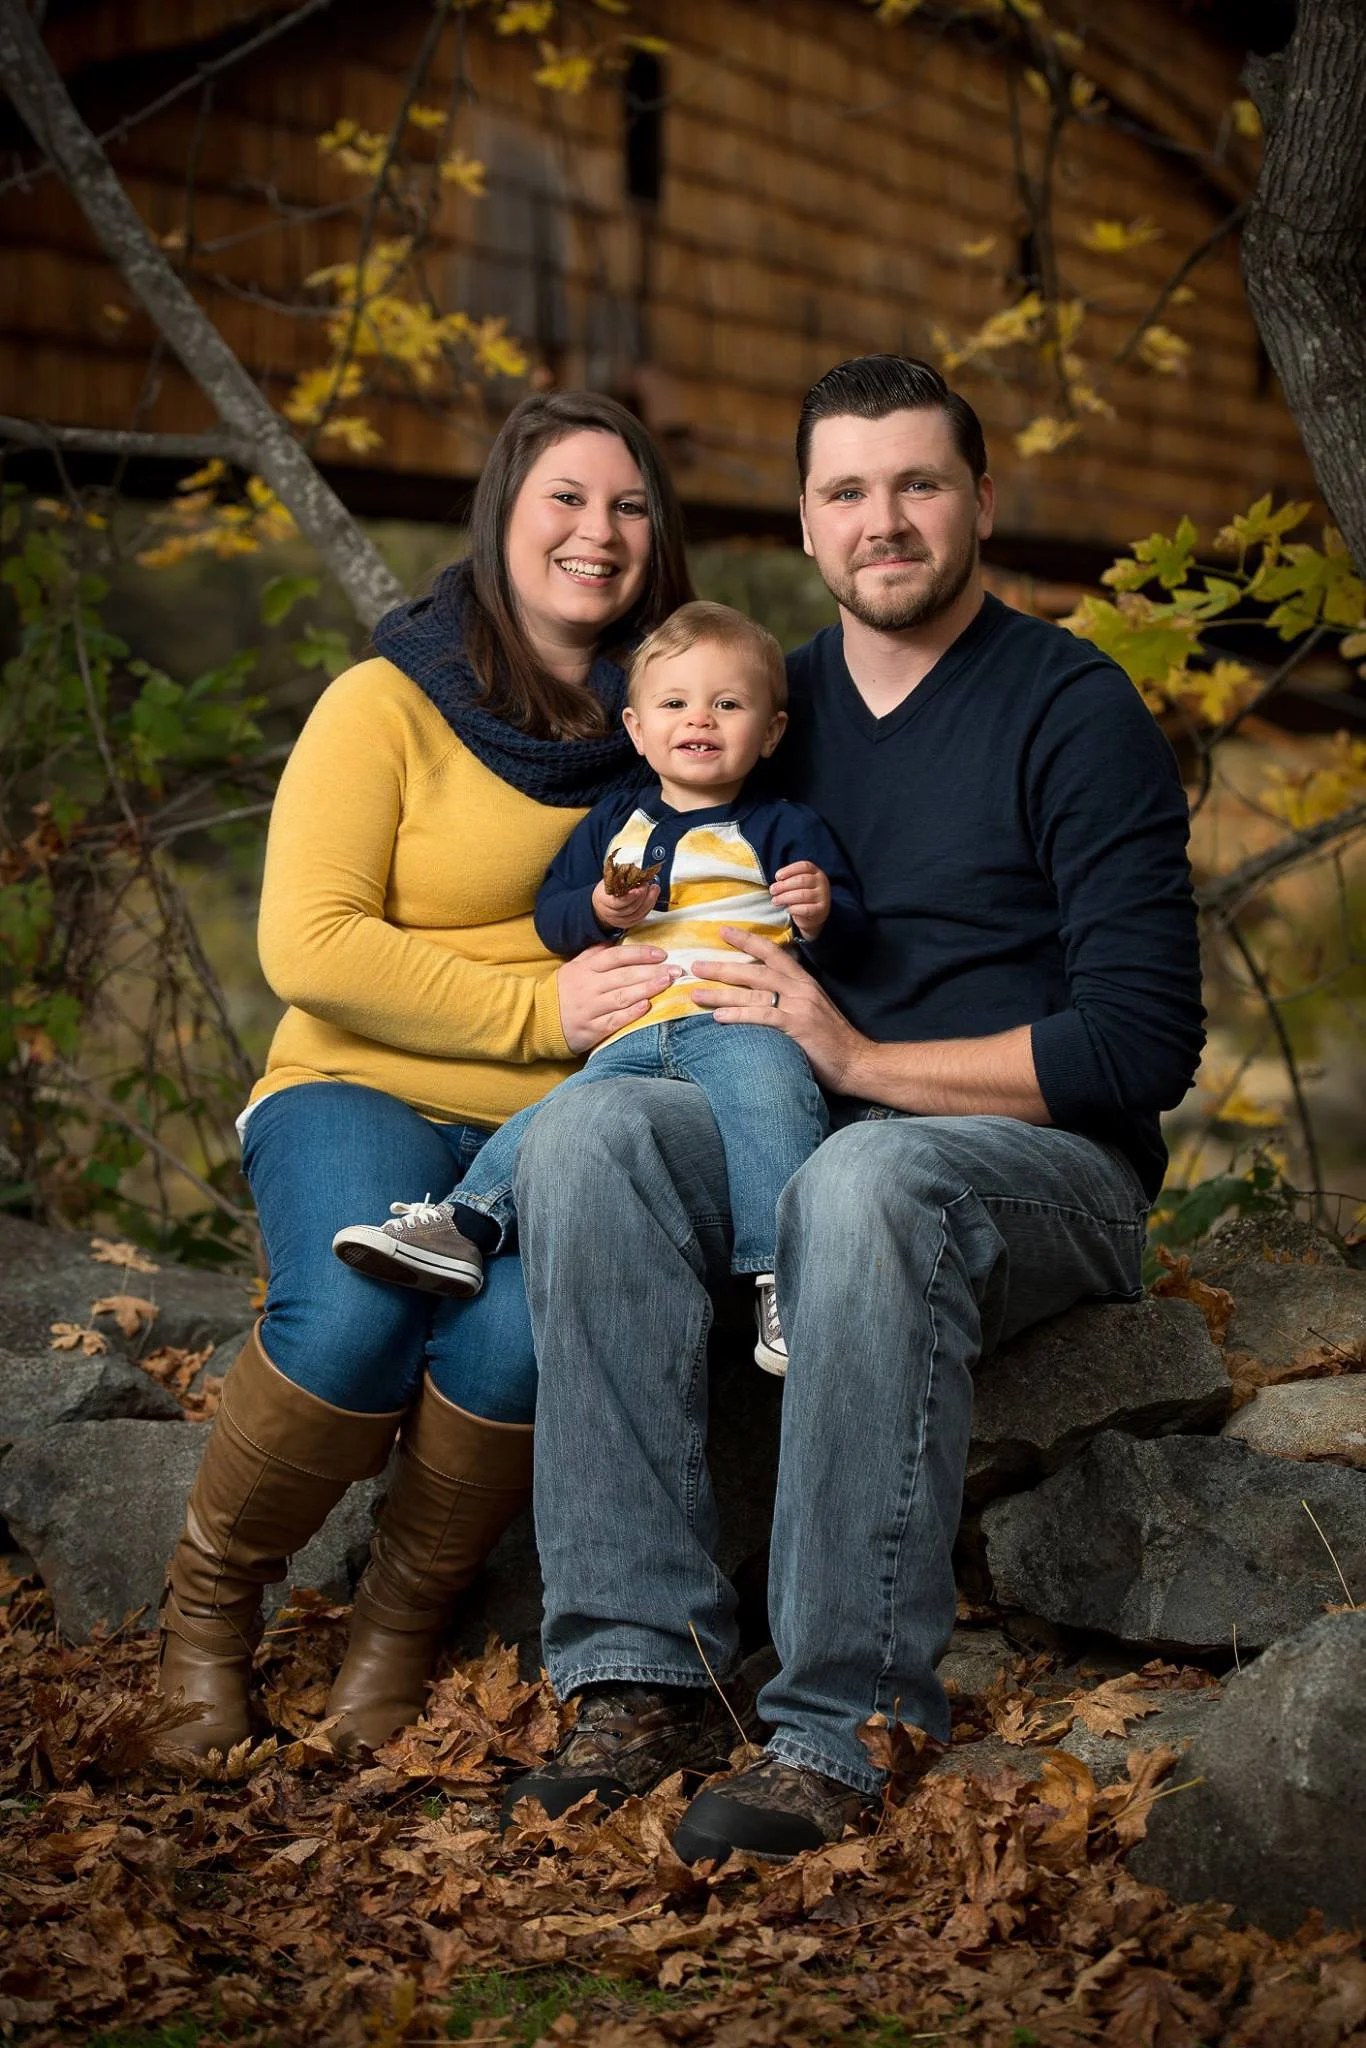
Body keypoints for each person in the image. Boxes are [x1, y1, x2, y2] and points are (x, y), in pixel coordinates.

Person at [501, 356, 1206, 1862]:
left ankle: (842, 1724)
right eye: (844, 492)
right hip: (795, 1125)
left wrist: (863, 1062)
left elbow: (1142, 1044)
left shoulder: (1072, 711)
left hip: (1035, 1167)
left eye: (915, 484)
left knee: (862, 1182)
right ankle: (642, 1674)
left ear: (979, 504)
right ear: (807, 526)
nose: (880, 521)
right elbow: (607, 853)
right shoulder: (765, 704)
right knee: (588, 1138)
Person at [155, 390, 694, 1763]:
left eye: (629, 505)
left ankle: (394, 1635)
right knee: (349, 1324)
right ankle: (207, 1619)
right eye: (564, 499)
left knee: (516, 1344)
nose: (598, 531)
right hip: (357, 1083)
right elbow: (308, 946)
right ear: (503, 518)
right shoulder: (387, 700)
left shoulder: (687, 721)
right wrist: (541, 1008)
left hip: (561, 1130)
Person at [329, 600, 868, 1375]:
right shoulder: (617, 822)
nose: (701, 721)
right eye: (676, 704)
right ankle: (463, 1226)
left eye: (729, 704)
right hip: (632, 1027)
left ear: (772, 731)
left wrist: (820, 912)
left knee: (773, 1101)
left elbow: (854, 938)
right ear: (638, 728)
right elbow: (553, 917)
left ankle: (785, 1280)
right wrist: (597, 908)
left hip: (739, 1016)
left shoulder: (783, 826)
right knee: (557, 1117)